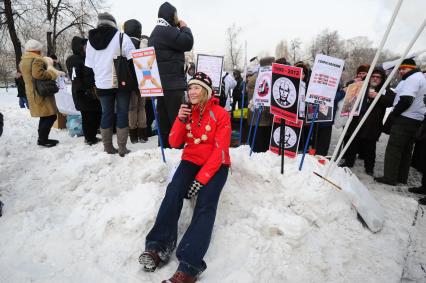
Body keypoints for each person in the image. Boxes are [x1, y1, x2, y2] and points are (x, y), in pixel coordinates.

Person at [139, 72, 231, 283]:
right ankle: (157, 248)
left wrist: (202, 179)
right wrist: (180, 120)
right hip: (190, 160)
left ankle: (189, 266)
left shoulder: (220, 114)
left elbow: (220, 151)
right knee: (173, 190)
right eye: (190, 88)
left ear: (206, 91)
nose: (192, 91)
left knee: (206, 203)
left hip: (217, 165)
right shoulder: (187, 111)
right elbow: (173, 141)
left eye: (197, 88)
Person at [85, 12, 135, 156]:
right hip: (121, 82)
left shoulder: (90, 41)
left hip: (101, 83)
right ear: (113, 23)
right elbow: (133, 59)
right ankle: (122, 147)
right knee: (122, 113)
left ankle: (108, 147)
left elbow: (89, 64)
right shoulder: (121, 37)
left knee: (106, 113)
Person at [149, 2, 194, 148]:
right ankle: (178, 148)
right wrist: (184, 27)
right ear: (171, 15)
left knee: (164, 120)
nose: (177, 18)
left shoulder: (155, 32)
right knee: (177, 119)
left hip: (160, 85)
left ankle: (165, 148)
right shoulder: (166, 31)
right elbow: (187, 42)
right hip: (173, 85)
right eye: (176, 15)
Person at [376, 59, 426, 185]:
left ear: (411, 68)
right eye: (400, 69)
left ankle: (390, 177)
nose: (401, 71)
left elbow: (406, 100)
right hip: (417, 118)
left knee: (394, 149)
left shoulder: (412, 78)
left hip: (405, 118)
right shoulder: (421, 77)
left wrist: (394, 114)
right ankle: (401, 177)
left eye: (404, 69)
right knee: (406, 150)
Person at [340, 67, 395, 174]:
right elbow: (350, 92)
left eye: (378, 77)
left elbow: (390, 101)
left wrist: (377, 96)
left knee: (370, 147)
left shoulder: (385, 89)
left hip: (372, 124)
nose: (375, 79)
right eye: (373, 76)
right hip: (356, 120)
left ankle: (369, 168)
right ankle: (348, 162)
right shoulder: (362, 86)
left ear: (382, 79)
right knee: (352, 143)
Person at [19, 39, 63, 147]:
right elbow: (38, 74)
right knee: (50, 116)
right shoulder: (37, 60)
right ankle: (43, 140)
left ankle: (43, 138)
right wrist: (52, 73)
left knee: (45, 116)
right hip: (41, 92)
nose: (41, 52)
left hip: (33, 92)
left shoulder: (23, 61)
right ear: (37, 50)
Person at [66, 36, 102, 145]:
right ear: (79, 47)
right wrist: (84, 90)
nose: (87, 47)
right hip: (82, 93)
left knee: (96, 114)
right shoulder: (73, 60)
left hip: (92, 92)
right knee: (88, 116)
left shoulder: (87, 58)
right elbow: (75, 78)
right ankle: (89, 138)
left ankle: (92, 136)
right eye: (85, 46)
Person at [124, 19, 149, 144]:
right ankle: (143, 135)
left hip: (130, 82)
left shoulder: (125, 44)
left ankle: (133, 135)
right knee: (142, 107)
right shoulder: (144, 44)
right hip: (143, 81)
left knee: (132, 109)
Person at [246, 57, 275, 152]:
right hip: (259, 118)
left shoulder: (265, 76)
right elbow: (261, 97)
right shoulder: (258, 78)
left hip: (264, 119)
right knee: (259, 148)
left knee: (264, 146)